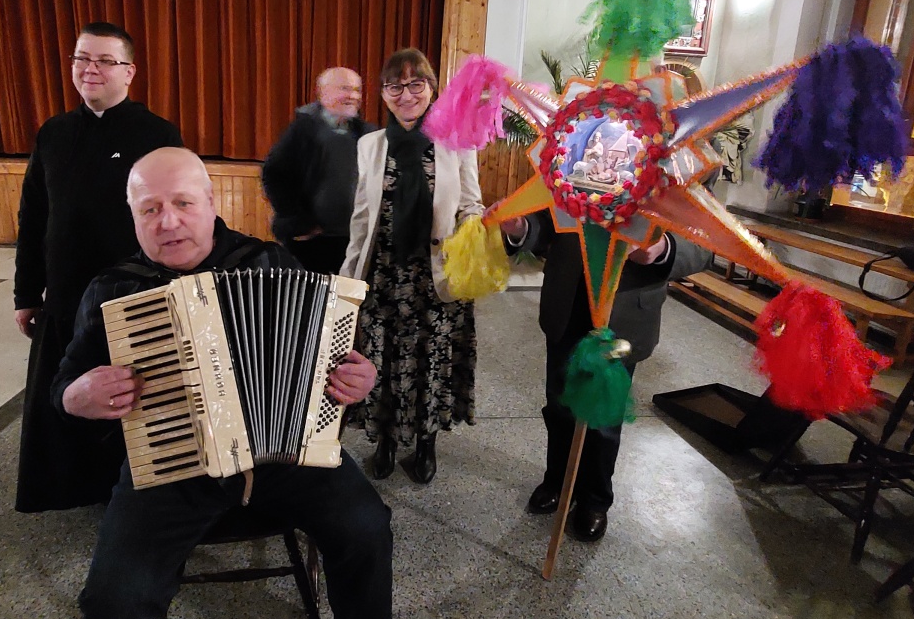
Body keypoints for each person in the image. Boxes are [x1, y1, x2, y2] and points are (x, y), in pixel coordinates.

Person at [54, 148, 401, 619]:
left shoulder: (268, 262)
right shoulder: (113, 288)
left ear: (211, 202)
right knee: (115, 596)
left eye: (183, 203)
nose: (168, 222)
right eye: (150, 209)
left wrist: (358, 379)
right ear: (133, 217)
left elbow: (333, 363)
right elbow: (65, 385)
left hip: (288, 453)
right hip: (171, 465)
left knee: (367, 528)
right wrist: (76, 395)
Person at [13, 22, 182, 513]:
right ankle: (77, 489)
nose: (90, 69)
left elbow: (173, 216)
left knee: (132, 397)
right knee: (67, 393)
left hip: (132, 295)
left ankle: (135, 494)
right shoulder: (53, 132)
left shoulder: (156, 134)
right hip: (66, 294)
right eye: (81, 58)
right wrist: (27, 294)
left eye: (105, 60)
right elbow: (34, 217)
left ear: (129, 71)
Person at [501, 210, 711, 541]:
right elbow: (548, 217)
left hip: (625, 307)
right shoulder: (571, 168)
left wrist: (662, 249)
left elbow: (704, 241)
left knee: (604, 419)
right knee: (559, 403)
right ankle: (559, 481)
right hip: (567, 300)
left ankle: (595, 498)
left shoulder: (682, 173)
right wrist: (523, 228)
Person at [341, 48, 482, 485]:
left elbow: (471, 204)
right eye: (394, 86)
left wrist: (474, 231)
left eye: (415, 84)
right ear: (383, 93)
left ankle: (426, 443)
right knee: (380, 361)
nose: (406, 95)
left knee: (430, 362)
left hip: (434, 277)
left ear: (431, 88)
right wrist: (347, 280)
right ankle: (384, 441)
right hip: (382, 276)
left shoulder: (456, 140)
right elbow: (362, 218)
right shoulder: (370, 145)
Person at [262, 67, 376, 274]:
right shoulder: (301, 131)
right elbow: (274, 175)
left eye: (357, 90)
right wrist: (300, 223)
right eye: (345, 89)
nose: (353, 96)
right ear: (323, 93)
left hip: (353, 242)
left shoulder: (367, 134)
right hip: (312, 243)